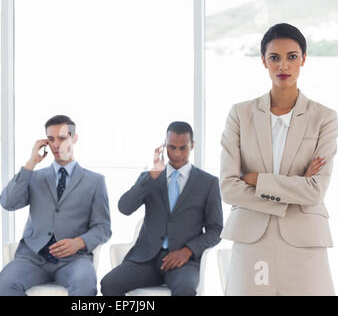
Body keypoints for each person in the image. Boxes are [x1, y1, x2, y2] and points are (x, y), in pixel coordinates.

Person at [220, 23, 337, 295]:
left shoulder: (325, 118)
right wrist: (293, 187)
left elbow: (315, 191)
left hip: (305, 242)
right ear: (264, 61)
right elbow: (228, 188)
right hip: (252, 241)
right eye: (274, 57)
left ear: (304, 59)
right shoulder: (240, 114)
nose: (283, 65)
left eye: (292, 56)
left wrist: (257, 180)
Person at [100, 121, 223, 296]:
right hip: (146, 260)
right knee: (109, 283)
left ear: (192, 145)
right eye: (172, 148)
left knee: (185, 288)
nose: (177, 154)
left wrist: (187, 251)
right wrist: (152, 176)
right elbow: (124, 208)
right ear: (164, 146)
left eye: (183, 148)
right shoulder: (151, 178)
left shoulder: (208, 183)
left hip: (183, 262)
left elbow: (215, 229)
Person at [0, 115, 111, 296]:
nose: (56, 144)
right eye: (51, 139)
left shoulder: (94, 181)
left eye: (62, 138)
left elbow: (103, 228)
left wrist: (79, 242)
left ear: (74, 138)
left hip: (73, 260)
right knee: (4, 286)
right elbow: (7, 203)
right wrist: (31, 163)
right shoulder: (34, 176)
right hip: (33, 258)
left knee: (86, 286)